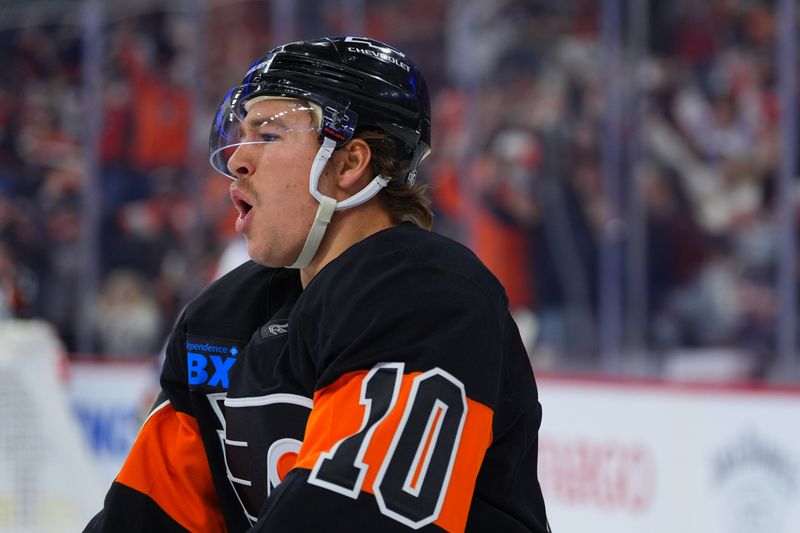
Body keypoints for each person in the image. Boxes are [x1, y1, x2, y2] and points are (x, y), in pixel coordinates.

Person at [85, 36, 550, 533]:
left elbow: (351, 517)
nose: (238, 160)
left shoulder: (427, 295)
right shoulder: (223, 318)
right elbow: (148, 514)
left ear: (350, 163)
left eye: (268, 135)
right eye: (241, 135)